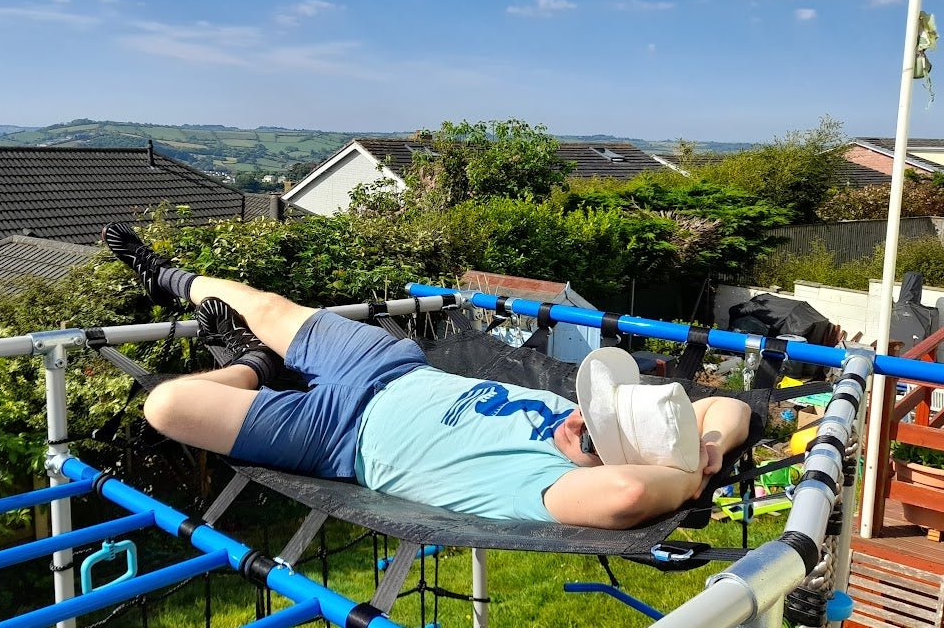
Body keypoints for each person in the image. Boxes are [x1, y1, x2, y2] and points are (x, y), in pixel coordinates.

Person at [102, 224, 753, 530]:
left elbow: (625, 500)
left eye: (592, 436)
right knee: (274, 307)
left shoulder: (552, 487)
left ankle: (253, 365)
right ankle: (167, 277)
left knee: (164, 403)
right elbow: (729, 408)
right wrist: (712, 449)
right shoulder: (610, 436)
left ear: (620, 463)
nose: (575, 417)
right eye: (590, 406)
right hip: (388, 368)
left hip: (338, 436)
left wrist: (681, 480)